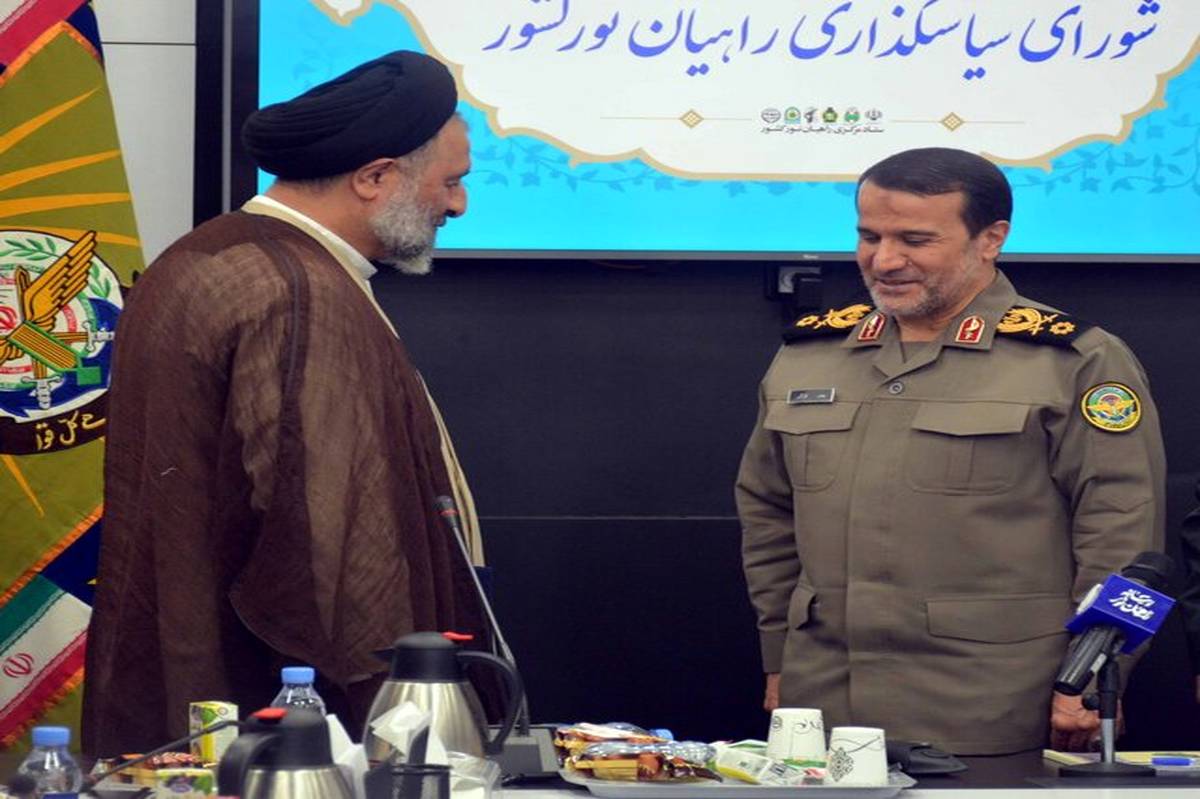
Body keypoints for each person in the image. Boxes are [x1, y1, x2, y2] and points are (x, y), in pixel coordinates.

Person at [83, 51, 487, 755]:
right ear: (374, 177)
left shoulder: (216, 255)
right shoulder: (297, 290)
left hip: (182, 681)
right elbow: (331, 543)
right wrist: (395, 721)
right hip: (275, 725)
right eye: (450, 182)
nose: (457, 206)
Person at [736, 147, 1165, 755]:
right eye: (869, 236)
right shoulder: (810, 356)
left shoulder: (1075, 361)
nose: (885, 260)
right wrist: (779, 657)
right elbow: (768, 516)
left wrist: (1092, 679)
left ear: (991, 239)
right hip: (827, 699)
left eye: (915, 240)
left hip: (996, 704)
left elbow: (1124, 535)